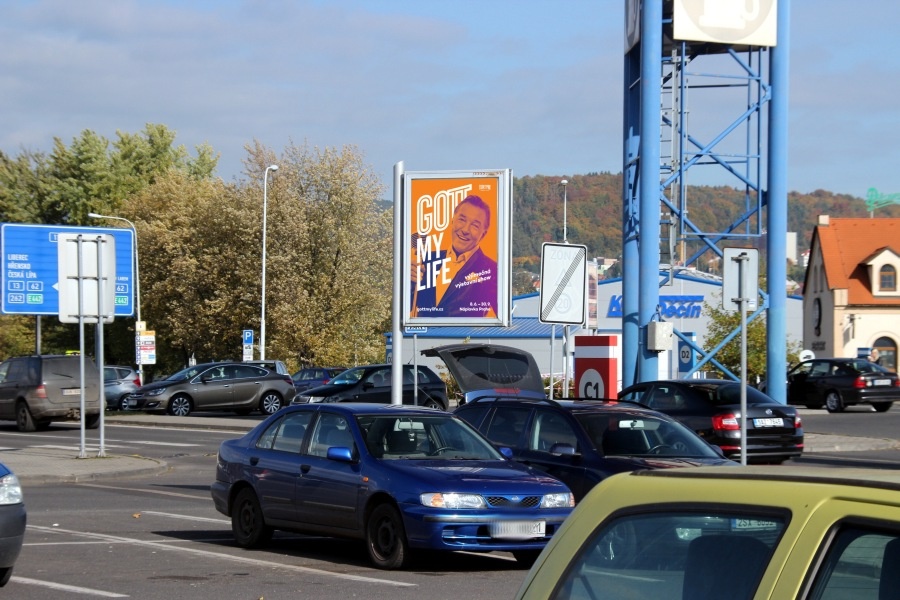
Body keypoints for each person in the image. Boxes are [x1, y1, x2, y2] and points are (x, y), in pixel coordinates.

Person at [411, 195, 498, 318]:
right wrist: (408, 283)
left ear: (483, 234)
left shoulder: (492, 270)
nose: (465, 230)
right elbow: (404, 307)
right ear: (452, 220)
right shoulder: (426, 260)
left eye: (475, 225)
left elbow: (507, 317)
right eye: (461, 220)